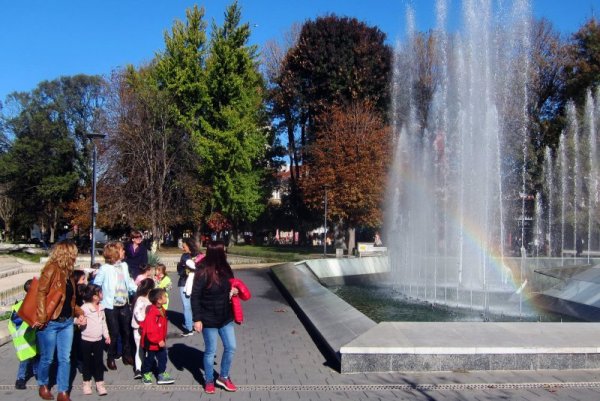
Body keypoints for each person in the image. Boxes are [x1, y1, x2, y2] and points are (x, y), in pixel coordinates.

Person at [34, 240, 86, 401]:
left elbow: (71, 298)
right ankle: (43, 384)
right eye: (74, 253)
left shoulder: (69, 273)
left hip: (67, 322)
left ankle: (63, 392)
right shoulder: (51, 269)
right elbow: (41, 293)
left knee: (65, 357)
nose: (76, 256)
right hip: (51, 321)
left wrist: (79, 312)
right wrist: (43, 317)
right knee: (47, 358)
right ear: (67, 253)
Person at [191, 241, 238, 394]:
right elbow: (195, 296)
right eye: (223, 250)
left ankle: (223, 377)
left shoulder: (225, 267)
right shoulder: (203, 271)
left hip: (225, 316)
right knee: (210, 351)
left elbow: (232, 283)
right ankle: (209, 380)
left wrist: (234, 290)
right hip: (208, 317)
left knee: (231, 347)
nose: (225, 252)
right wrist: (197, 319)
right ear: (217, 253)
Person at [93, 241, 137, 370]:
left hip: (123, 303)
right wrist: (97, 299)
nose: (124, 252)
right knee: (114, 332)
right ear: (116, 253)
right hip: (110, 305)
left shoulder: (124, 266)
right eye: (122, 250)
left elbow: (129, 282)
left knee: (127, 330)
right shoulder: (105, 268)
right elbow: (96, 284)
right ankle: (111, 357)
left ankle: (127, 355)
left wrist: (139, 290)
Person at [79, 284, 110, 396]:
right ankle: (86, 382)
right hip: (86, 339)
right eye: (100, 293)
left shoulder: (101, 307)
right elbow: (77, 320)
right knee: (86, 362)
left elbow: (103, 322)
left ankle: (100, 383)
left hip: (98, 339)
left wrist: (106, 335)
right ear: (94, 296)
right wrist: (79, 322)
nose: (102, 294)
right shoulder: (84, 308)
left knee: (99, 362)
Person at [139, 288, 175, 385]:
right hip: (151, 343)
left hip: (160, 341)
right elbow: (151, 330)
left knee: (163, 357)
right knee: (149, 359)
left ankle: (161, 374)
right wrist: (158, 340)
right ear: (158, 300)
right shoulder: (152, 313)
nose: (166, 297)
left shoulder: (162, 309)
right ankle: (145, 373)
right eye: (164, 296)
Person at [8, 279, 38, 390]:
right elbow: (16, 321)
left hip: (33, 336)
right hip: (25, 339)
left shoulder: (36, 303)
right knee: (25, 360)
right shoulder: (21, 306)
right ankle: (20, 379)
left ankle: (37, 374)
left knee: (36, 358)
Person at [131, 278, 155, 379]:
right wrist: (142, 322)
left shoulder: (149, 299)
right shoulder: (141, 299)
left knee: (145, 348)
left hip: (148, 327)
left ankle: (144, 367)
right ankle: (138, 369)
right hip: (139, 327)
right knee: (140, 348)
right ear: (149, 289)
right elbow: (137, 312)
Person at [177, 238, 201, 336]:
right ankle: (191, 325)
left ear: (189, 245)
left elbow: (183, 270)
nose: (183, 248)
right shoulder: (193, 256)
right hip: (190, 283)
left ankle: (189, 328)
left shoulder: (189, 256)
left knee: (188, 305)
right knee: (190, 305)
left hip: (188, 282)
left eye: (184, 246)